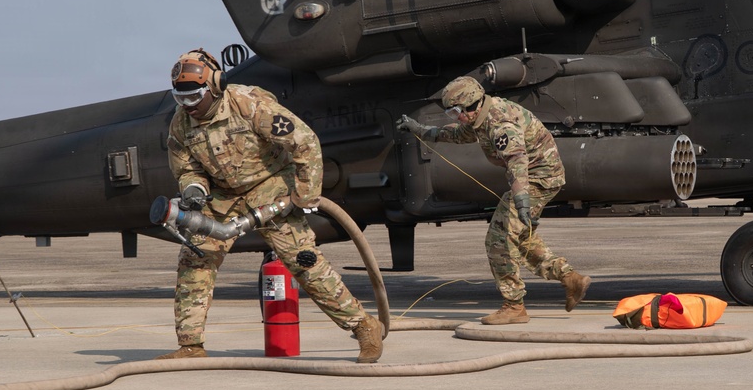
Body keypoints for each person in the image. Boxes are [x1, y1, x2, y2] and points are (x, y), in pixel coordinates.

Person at [159, 48, 383, 362]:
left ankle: (364, 327)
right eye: (180, 99)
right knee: (195, 259)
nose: (188, 106)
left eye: (194, 97)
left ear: (215, 86)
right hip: (222, 197)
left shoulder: (249, 105)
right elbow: (186, 168)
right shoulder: (181, 124)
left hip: (271, 186)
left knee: (304, 262)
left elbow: (304, 141)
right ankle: (190, 346)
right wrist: (194, 188)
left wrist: (305, 195)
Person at [396, 76, 591, 324]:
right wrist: (421, 130)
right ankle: (571, 279)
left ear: (473, 105)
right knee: (522, 239)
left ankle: (514, 307)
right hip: (537, 178)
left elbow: (517, 162)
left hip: (536, 179)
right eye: (451, 113)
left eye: (456, 111)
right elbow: (460, 134)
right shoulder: (482, 115)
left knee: (498, 240)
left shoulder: (501, 124)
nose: (455, 117)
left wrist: (522, 201)